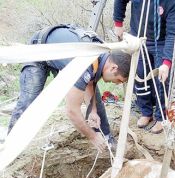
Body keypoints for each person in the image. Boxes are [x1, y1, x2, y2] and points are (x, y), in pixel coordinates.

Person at [8, 24, 132, 152]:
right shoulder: (84, 64)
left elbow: (90, 82)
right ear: (113, 68)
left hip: (59, 54)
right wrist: (93, 136)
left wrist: (93, 111)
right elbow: (72, 111)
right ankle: (10, 148)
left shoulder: (102, 54)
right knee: (28, 102)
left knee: (96, 101)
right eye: (119, 80)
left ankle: (108, 139)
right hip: (38, 51)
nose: (117, 83)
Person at [113, 0, 175, 134]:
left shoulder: (172, 2)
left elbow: (172, 34)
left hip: (161, 41)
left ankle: (161, 117)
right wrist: (118, 23)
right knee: (140, 75)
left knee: (162, 79)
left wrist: (166, 63)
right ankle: (146, 112)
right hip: (138, 37)